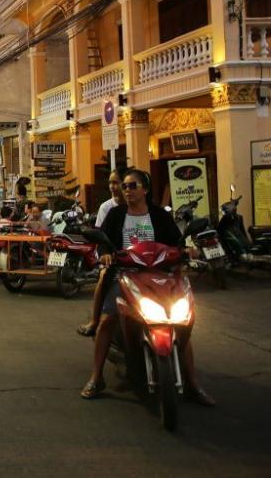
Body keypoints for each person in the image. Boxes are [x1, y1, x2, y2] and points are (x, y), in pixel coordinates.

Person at [80, 169, 214, 405]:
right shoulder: (116, 214)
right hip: (125, 274)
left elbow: (176, 240)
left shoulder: (159, 214)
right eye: (125, 187)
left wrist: (185, 250)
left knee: (181, 322)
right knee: (108, 319)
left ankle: (193, 383)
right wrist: (106, 255)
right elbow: (104, 241)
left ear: (145, 189)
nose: (127, 190)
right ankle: (96, 376)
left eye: (133, 186)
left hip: (160, 275)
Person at [78, 172, 127, 337]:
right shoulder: (108, 208)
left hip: (139, 260)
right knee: (104, 277)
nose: (113, 187)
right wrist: (106, 253)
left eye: (117, 182)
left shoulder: (148, 210)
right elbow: (101, 236)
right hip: (113, 257)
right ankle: (95, 321)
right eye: (111, 183)